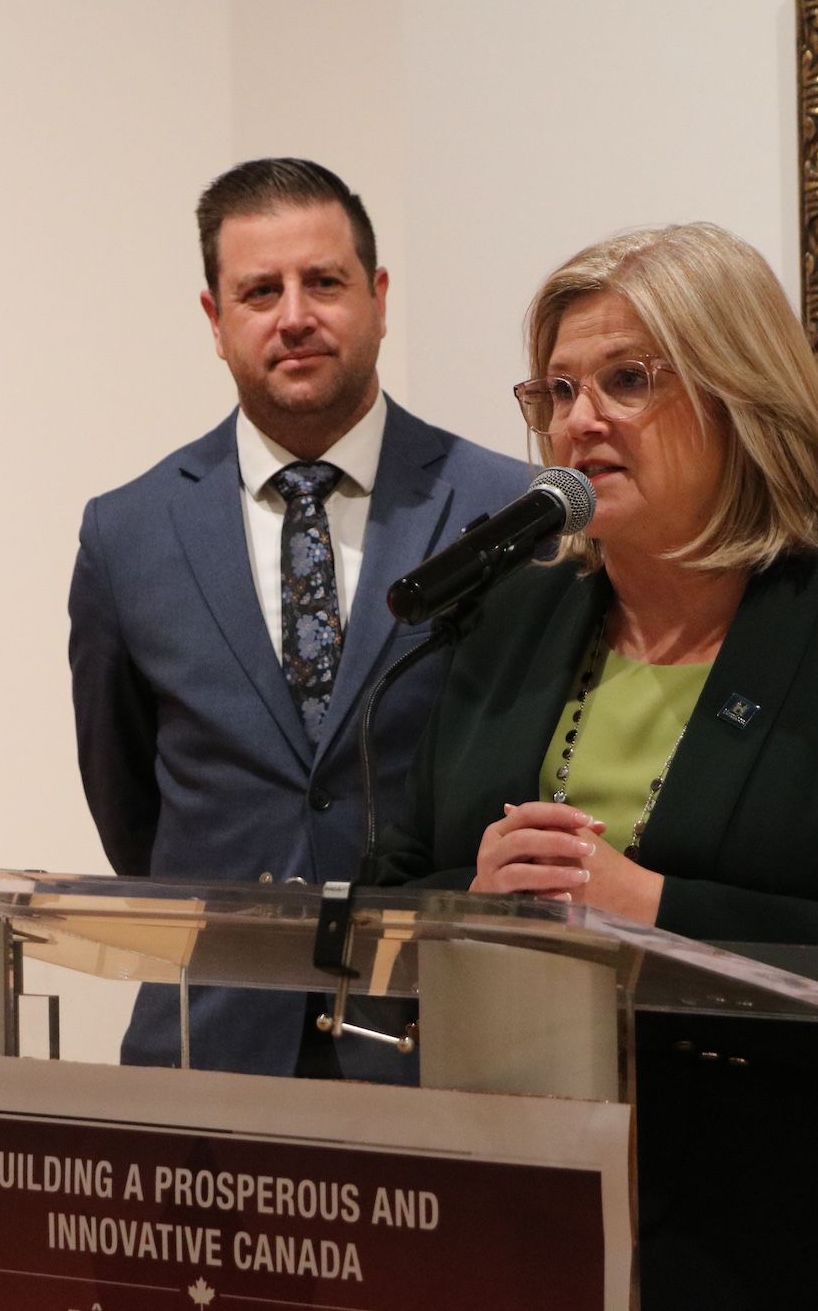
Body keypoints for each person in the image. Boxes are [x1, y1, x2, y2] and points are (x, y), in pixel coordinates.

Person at [375, 223, 818, 1309]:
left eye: (626, 379)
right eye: (556, 390)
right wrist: (477, 905)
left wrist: (655, 909)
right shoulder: (507, 622)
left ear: (740, 395)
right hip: (540, 1218)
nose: (579, 421)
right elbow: (389, 896)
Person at [68, 158, 525, 1079]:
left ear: (379, 296)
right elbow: (128, 805)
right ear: (215, 318)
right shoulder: (129, 531)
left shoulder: (502, 510)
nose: (294, 315)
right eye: (259, 291)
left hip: (443, 1044)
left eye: (324, 282)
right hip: (212, 1046)